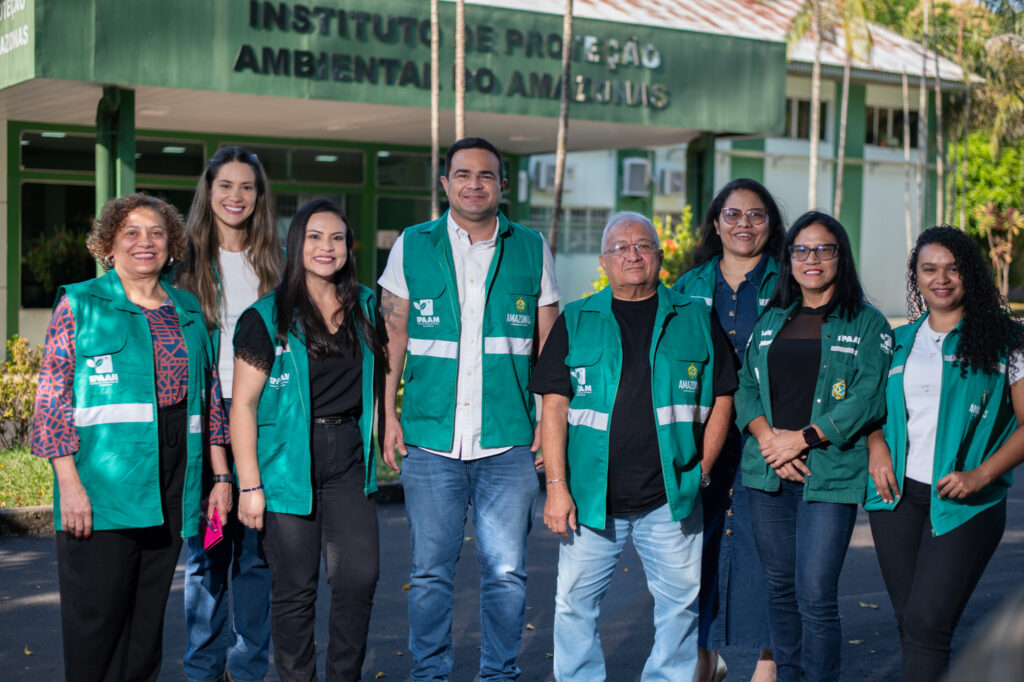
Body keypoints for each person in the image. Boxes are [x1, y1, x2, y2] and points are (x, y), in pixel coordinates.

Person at [377, 136, 560, 681]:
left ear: (502, 185)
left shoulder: (531, 247)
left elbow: (550, 346)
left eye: (486, 175)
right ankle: (429, 674)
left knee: (506, 574)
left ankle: (497, 675)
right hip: (431, 438)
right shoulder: (412, 244)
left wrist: (549, 426)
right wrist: (388, 414)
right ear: (445, 183)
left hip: (507, 439)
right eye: (463, 174)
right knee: (430, 573)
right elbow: (394, 337)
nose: (473, 184)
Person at [31, 193, 228, 681]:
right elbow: (52, 403)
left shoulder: (186, 308)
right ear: (109, 246)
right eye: (132, 233)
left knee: (146, 624)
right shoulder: (80, 304)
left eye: (157, 233)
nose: (146, 242)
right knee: (96, 621)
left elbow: (211, 398)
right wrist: (69, 485)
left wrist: (219, 476)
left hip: (174, 475)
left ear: (172, 246)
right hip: (103, 481)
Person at [533, 211, 737, 681]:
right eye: (621, 247)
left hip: (670, 497)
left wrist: (700, 468)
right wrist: (557, 487)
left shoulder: (693, 316)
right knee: (574, 606)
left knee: (678, 609)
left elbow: (723, 395)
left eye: (642, 245)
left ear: (659, 257)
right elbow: (554, 408)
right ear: (604, 260)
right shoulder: (577, 319)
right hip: (589, 497)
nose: (632, 254)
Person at [734, 211, 892, 682]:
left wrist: (802, 439)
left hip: (830, 476)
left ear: (841, 257)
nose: (812, 259)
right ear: (789, 259)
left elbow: (868, 397)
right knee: (779, 589)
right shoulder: (773, 318)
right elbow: (745, 386)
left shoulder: (867, 323)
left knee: (816, 594)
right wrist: (770, 442)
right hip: (769, 473)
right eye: (801, 250)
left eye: (824, 248)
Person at [232, 199, 385, 681]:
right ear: (296, 244)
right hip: (285, 461)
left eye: (337, 238)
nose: (326, 247)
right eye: (315, 237)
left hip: (347, 460)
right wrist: (250, 485)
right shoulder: (267, 316)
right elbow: (243, 406)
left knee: (359, 577)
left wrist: (388, 421)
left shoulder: (367, 305)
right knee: (295, 588)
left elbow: (386, 372)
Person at [865, 226, 1024, 682]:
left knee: (926, 625)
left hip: (964, 505)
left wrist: (981, 475)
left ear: (970, 274)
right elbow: (875, 413)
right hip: (894, 501)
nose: (942, 278)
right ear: (916, 277)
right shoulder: (900, 340)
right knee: (912, 624)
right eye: (929, 269)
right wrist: (877, 446)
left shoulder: (1006, 341)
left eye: (953, 268)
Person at [175, 145, 282, 682]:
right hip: (210, 427)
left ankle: (246, 668)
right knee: (209, 555)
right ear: (208, 191)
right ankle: (203, 670)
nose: (235, 196)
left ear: (259, 196)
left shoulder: (278, 264)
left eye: (247, 187)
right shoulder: (184, 263)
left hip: (263, 424)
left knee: (257, 559)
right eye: (225, 186)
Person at [673, 178, 784, 682]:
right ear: (715, 223)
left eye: (756, 215)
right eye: (733, 214)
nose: (744, 224)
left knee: (771, 549)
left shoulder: (792, 280)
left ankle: (769, 658)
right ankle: (703, 657)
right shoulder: (687, 287)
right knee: (700, 545)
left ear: (771, 225)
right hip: (704, 439)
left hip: (775, 437)